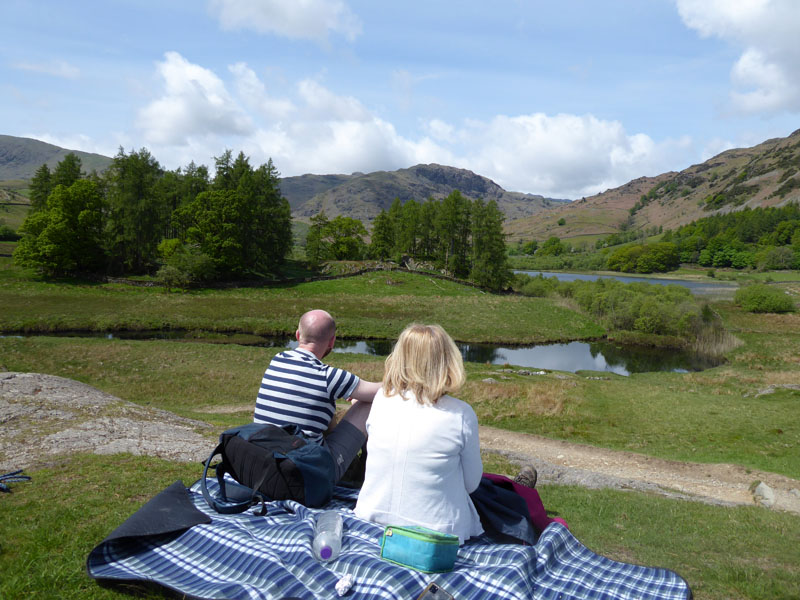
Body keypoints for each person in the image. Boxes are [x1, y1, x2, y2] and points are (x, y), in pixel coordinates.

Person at [354, 323, 484, 544]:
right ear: (447, 361)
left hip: (371, 513)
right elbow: (472, 484)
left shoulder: (381, 399)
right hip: (436, 533)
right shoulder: (461, 414)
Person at [255, 309, 381, 482]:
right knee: (367, 404)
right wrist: (359, 399)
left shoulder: (277, 359)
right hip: (309, 476)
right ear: (332, 341)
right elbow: (382, 392)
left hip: (265, 466)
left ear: (298, 335)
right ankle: (361, 471)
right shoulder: (328, 376)